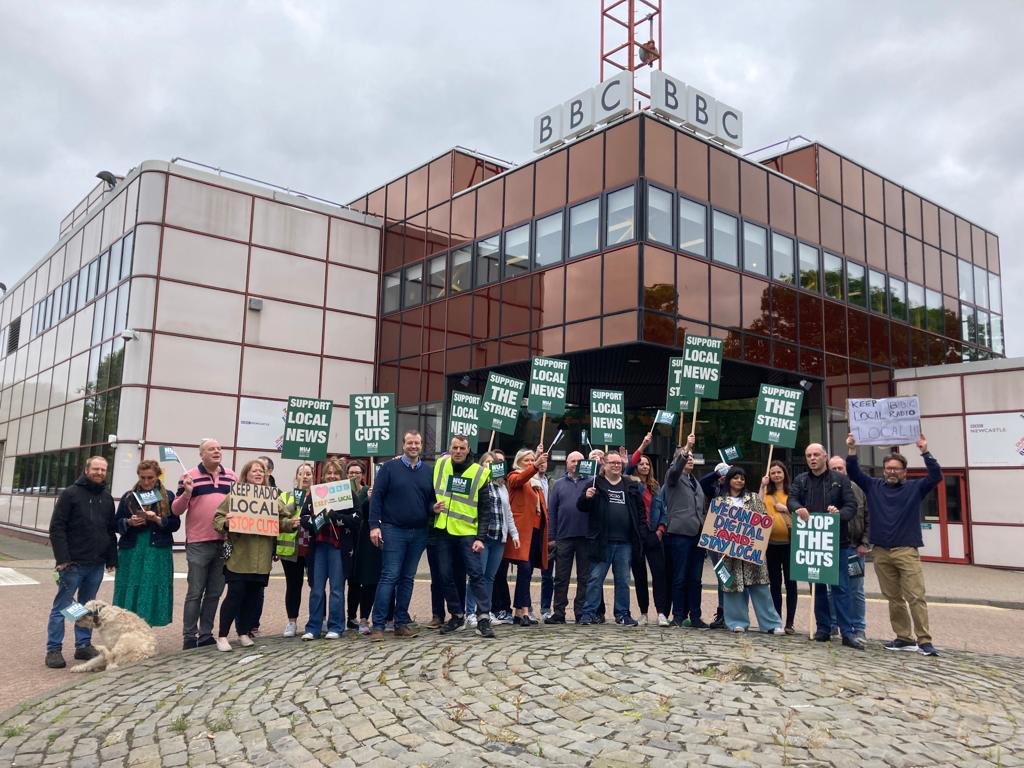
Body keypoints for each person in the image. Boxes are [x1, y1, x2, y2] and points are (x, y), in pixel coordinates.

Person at [846, 433, 942, 656]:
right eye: (888, 468)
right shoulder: (873, 486)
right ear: (884, 469)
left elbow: (936, 476)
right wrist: (852, 449)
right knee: (893, 598)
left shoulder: (915, 488)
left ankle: (924, 640)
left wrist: (925, 451)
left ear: (904, 472)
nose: (891, 471)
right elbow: (854, 473)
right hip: (880, 552)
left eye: (896, 468)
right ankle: (904, 638)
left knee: (916, 597)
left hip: (906, 551)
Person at [212, 459, 297, 651]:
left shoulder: (272, 498)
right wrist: (226, 523)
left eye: (262, 471)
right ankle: (223, 635)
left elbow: (281, 520)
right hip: (241, 556)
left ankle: (243, 632)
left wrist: (291, 524)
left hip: (262, 557)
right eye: (254, 471)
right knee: (235, 595)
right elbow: (217, 517)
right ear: (246, 475)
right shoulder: (235, 495)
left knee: (253, 596)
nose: (258, 474)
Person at [45, 456, 118, 669]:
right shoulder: (70, 494)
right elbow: (57, 528)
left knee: (87, 608)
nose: (99, 473)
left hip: (96, 564)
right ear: (87, 470)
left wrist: (111, 558)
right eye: (96, 469)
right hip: (72, 564)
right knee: (63, 606)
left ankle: (83, 645)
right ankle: (53, 648)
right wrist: (63, 559)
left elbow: (109, 531)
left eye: (103, 470)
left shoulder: (106, 498)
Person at [369, 430, 442, 640]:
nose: (413, 446)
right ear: (403, 445)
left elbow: (428, 500)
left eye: (417, 443)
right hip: (393, 530)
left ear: (421, 446)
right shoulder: (389, 468)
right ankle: (379, 625)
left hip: (419, 532)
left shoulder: (428, 472)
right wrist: (374, 526)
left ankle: (401, 623)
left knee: (407, 578)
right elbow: (377, 498)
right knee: (389, 576)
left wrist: (432, 508)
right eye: (409, 442)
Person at [788, 443, 862, 650]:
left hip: (837, 543)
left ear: (825, 457)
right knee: (817, 587)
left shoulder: (840, 480)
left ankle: (847, 632)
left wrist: (839, 514)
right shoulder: (800, 480)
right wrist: (798, 508)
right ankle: (823, 628)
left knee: (841, 587)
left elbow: (851, 506)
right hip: (812, 543)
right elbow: (791, 499)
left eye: (816, 455)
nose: (812, 458)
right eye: (808, 455)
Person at [172, 438, 237, 649]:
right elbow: (176, 509)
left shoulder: (232, 476)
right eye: (211, 449)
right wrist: (188, 492)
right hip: (199, 542)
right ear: (202, 454)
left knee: (215, 592)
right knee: (195, 592)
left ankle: (206, 634)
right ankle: (189, 636)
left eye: (219, 448)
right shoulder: (189, 476)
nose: (217, 451)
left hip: (224, 541)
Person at [432, 435, 495, 637]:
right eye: (455, 447)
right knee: (445, 575)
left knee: (476, 575)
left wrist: (480, 538)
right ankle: (457, 616)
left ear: (468, 450)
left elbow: (486, 509)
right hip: (443, 529)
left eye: (462, 448)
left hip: (468, 533)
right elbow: (428, 494)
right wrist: (431, 507)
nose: (458, 451)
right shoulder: (440, 465)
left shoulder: (479, 473)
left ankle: (483, 618)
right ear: (449, 448)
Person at [577, 451, 644, 626]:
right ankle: (589, 613)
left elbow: (640, 511)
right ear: (604, 465)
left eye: (619, 463)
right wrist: (587, 497)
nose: (616, 465)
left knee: (623, 581)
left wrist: (641, 531)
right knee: (595, 579)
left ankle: (622, 614)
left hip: (625, 542)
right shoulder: (595, 484)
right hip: (601, 541)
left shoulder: (629, 484)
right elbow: (581, 507)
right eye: (612, 463)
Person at [714, 467, 784, 634]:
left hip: (751, 552)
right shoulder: (720, 501)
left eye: (742, 478)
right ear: (729, 480)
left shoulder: (752, 498)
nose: (739, 481)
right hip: (728, 554)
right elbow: (716, 527)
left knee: (761, 588)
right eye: (736, 478)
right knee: (732, 588)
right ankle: (736, 622)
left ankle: (771, 624)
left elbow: (762, 519)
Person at [113, 459, 180, 627]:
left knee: (151, 586)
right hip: (133, 548)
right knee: (131, 585)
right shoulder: (129, 497)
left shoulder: (168, 496)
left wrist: (157, 519)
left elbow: (175, 524)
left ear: (158, 476)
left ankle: (146, 626)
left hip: (157, 549)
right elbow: (115, 523)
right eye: (142, 477)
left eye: (150, 477)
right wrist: (129, 522)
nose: (146, 482)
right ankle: (128, 626)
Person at [301, 458, 359, 641]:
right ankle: (314, 627)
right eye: (329, 473)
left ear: (341, 476)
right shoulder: (314, 494)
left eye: (335, 473)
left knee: (336, 588)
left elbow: (357, 519)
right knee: (317, 588)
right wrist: (319, 520)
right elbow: (304, 518)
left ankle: (335, 626)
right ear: (323, 475)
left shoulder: (348, 494)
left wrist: (334, 516)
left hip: (339, 547)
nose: (332, 476)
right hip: (318, 546)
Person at [660, 445, 708, 629]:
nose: (689, 458)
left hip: (697, 535)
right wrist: (685, 448)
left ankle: (695, 616)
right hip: (679, 534)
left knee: (695, 579)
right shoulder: (673, 478)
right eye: (685, 456)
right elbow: (675, 469)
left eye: (691, 456)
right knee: (679, 577)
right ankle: (678, 615)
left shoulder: (696, 481)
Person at [470, 452, 519, 629]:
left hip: (499, 537)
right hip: (483, 537)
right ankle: (472, 612)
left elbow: (508, 513)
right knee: (478, 576)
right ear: (481, 465)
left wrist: (514, 534)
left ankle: (486, 610)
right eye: (487, 462)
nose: (490, 465)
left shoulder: (501, 486)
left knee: (490, 577)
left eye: (494, 462)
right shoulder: (478, 484)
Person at [626, 432, 670, 626]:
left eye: (647, 464)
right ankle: (643, 612)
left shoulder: (656, 486)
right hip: (637, 535)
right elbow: (627, 465)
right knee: (640, 575)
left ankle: (661, 612)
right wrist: (643, 445)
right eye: (641, 463)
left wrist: (660, 530)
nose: (644, 466)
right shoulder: (629, 483)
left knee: (659, 574)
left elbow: (663, 511)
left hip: (654, 535)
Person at [504, 447, 551, 625]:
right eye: (527, 461)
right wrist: (535, 466)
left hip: (535, 532)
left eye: (533, 460)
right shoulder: (514, 476)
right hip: (521, 532)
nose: (531, 463)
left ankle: (520, 611)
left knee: (527, 572)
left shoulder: (535, 482)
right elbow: (518, 481)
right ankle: (522, 611)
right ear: (518, 462)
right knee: (524, 569)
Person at [546, 450, 591, 624]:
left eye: (579, 461)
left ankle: (580, 612)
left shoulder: (591, 482)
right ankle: (558, 612)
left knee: (584, 577)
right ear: (567, 463)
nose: (575, 464)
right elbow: (553, 512)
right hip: (563, 537)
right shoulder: (558, 484)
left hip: (585, 537)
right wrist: (551, 536)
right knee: (561, 577)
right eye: (573, 461)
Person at [828, 455, 870, 641]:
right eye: (833, 469)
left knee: (855, 590)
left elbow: (870, 517)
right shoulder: (825, 490)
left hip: (854, 548)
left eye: (840, 468)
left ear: (846, 469)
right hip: (831, 548)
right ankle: (833, 624)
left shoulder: (859, 490)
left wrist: (865, 543)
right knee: (832, 590)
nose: (837, 472)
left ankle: (858, 626)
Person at [760, 460, 797, 634]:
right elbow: (757, 508)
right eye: (773, 472)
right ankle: (776, 620)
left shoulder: (793, 493)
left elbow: (802, 514)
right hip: (771, 545)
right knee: (775, 584)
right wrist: (762, 486)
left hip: (790, 545)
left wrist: (786, 509)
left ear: (784, 474)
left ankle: (790, 622)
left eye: (779, 472)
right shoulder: (766, 493)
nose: (776, 475)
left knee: (791, 583)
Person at [277, 463, 314, 638]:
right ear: (296, 477)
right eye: (301, 473)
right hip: (292, 550)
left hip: (314, 548)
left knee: (316, 585)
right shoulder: (285, 496)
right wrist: (297, 502)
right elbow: (279, 516)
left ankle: (318, 619)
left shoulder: (319, 495)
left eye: (308, 473)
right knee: (293, 586)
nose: (305, 476)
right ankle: (292, 622)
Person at [347, 461, 380, 635]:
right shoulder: (343, 492)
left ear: (363, 474)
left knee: (366, 580)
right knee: (352, 582)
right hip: (348, 541)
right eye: (351, 472)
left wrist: (369, 496)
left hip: (365, 542)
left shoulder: (369, 490)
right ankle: (350, 616)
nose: (354, 475)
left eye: (357, 472)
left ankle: (364, 617)